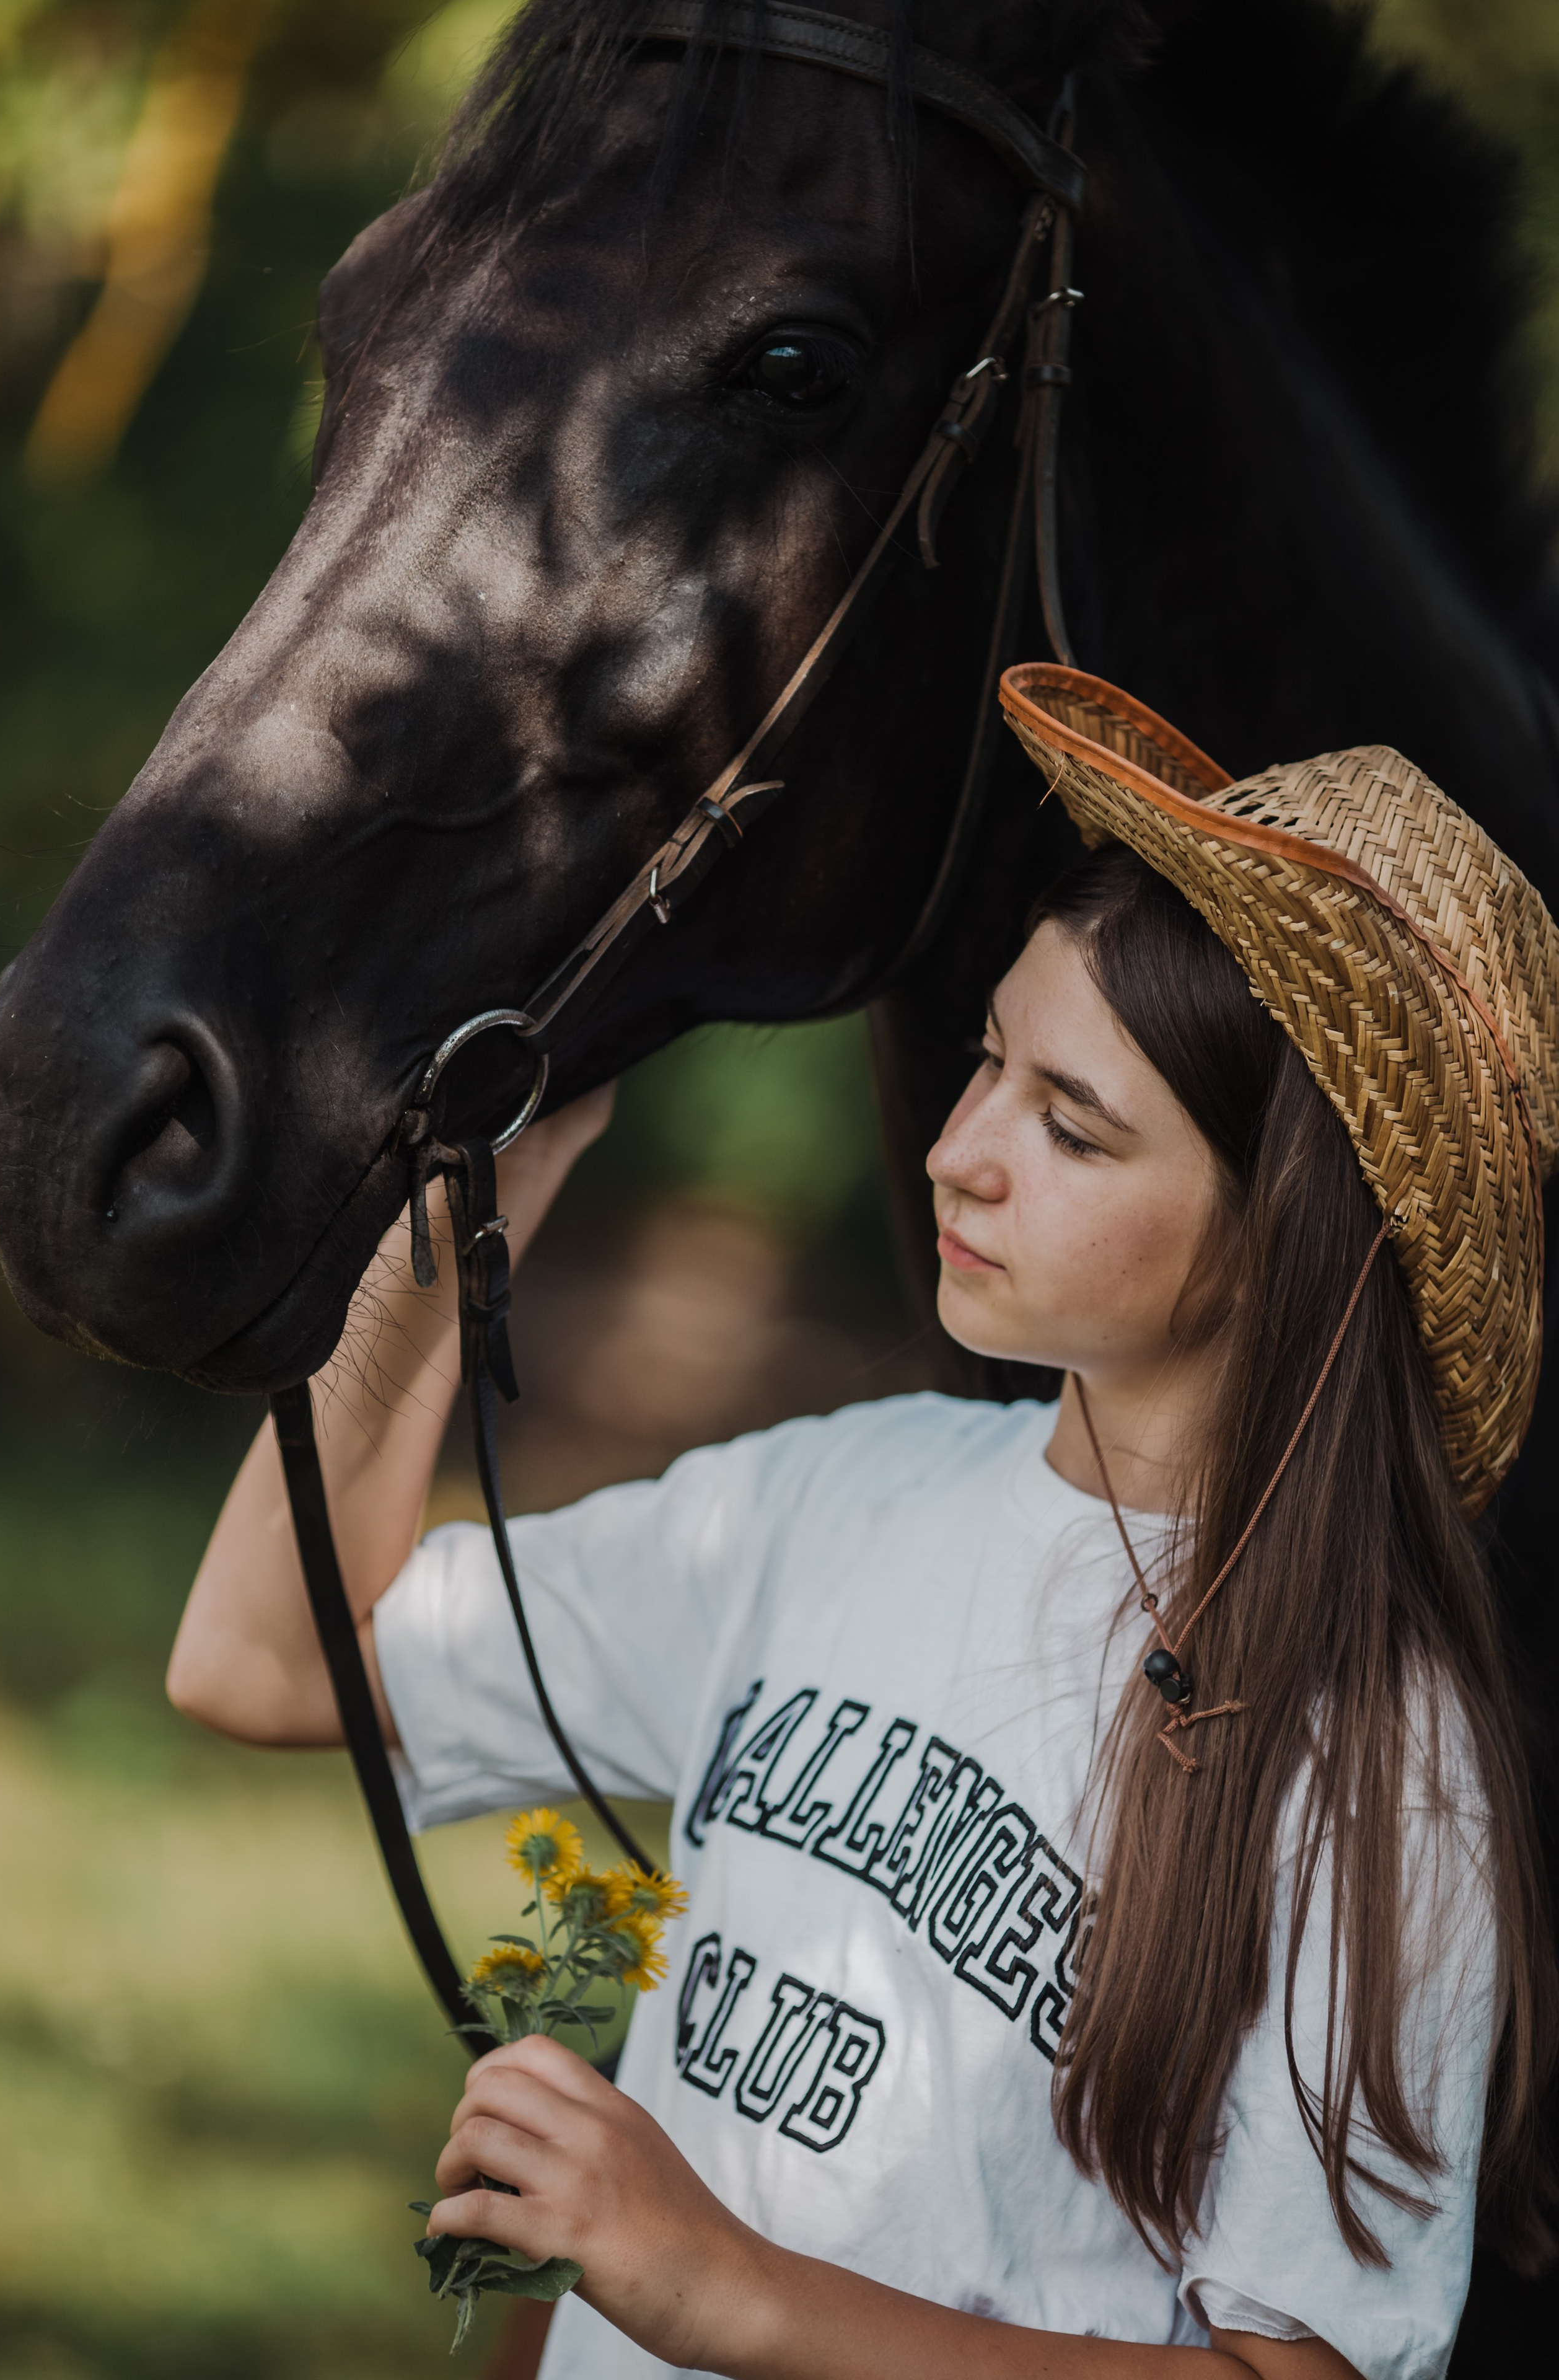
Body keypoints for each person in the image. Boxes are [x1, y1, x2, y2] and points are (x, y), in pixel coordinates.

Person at [170, 667, 1559, 2380]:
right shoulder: (832, 1498)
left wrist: (725, 2287)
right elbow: (263, 1660)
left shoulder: (1375, 1761)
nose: (962, 1151)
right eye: (990, 1060)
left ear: (1288, 1238)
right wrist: (465, 1215)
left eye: (1072, 1127)